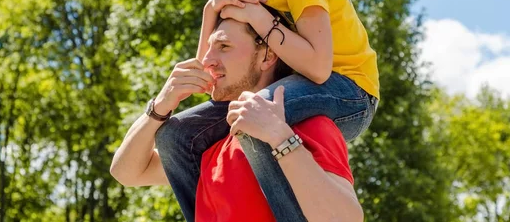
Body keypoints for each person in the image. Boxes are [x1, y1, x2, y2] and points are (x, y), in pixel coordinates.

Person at [157, 0, 380, 221]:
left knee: (254, 116)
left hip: (349, 91)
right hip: (296, 87)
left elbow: (319, 70)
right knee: (175, 137)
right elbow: (211, 80)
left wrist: (259, 17)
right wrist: (211, 9)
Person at [110, 16, 364, 221]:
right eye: (209, 48)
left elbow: (345, 218)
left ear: (267, 55)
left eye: (224, 47)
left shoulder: (307, 126)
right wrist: (160, 107)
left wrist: (279, 137)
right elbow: (127, 173)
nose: (207, 60)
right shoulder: (206, 145)